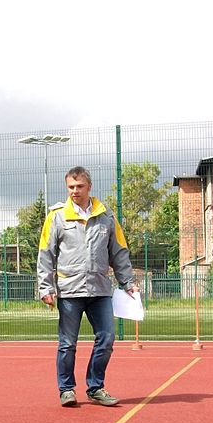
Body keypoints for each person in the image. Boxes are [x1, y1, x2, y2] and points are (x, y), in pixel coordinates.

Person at [37, 166, 137, 408]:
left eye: (79, 186)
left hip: (100, 289)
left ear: (89, 187)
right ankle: (66, 390)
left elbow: (119, 252)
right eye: (70, 187)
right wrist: (45, 287)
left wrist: (128, 282)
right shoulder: (57, 216)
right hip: (70, 291)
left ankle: (95, 387)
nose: (74, 191)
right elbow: (45, 254)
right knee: (67, 343)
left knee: (107, 338)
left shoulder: (107, 216)